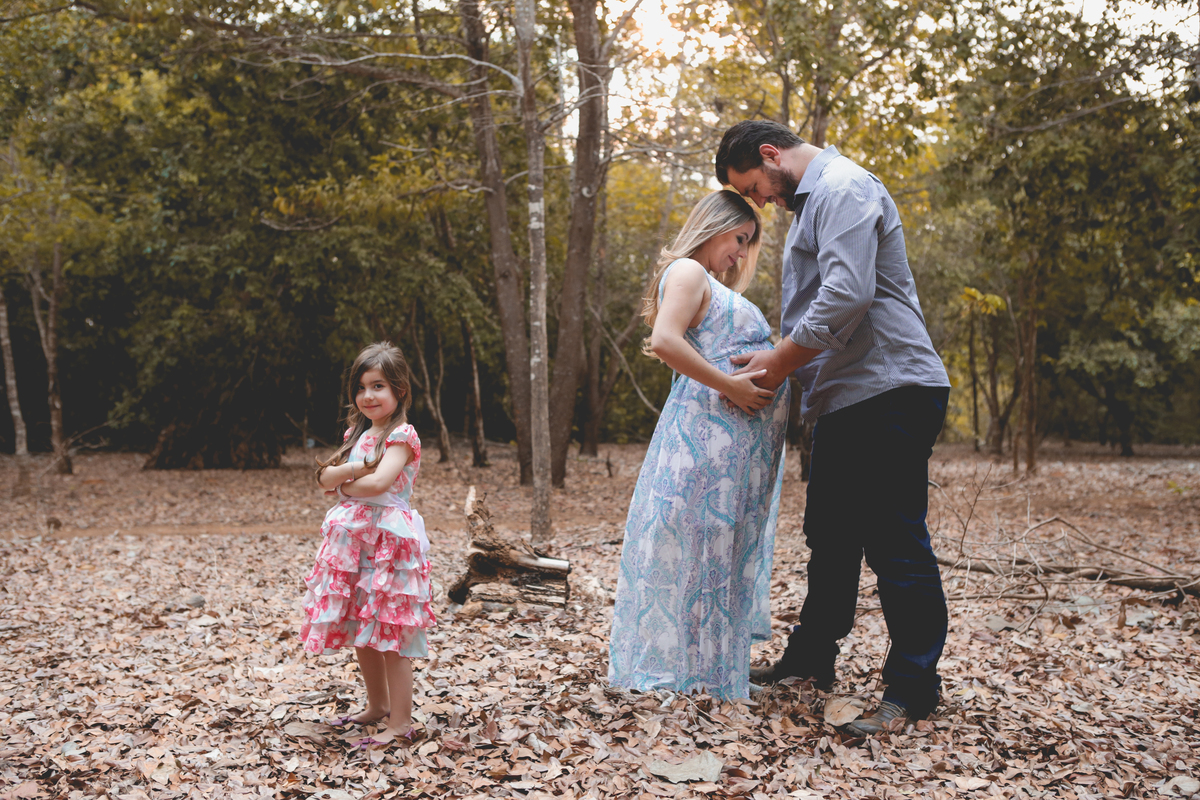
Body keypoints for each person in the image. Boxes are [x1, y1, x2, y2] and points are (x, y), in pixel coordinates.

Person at [714, 120, 952, 735]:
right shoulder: (815, 205)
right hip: (846, 398)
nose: (761, 199)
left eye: (755, 186)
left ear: (771, 155)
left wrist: (777, 362)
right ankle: (811, 662)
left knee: (896, 541)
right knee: (833, 535)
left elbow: (847, 295)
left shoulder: (844, 186)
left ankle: (913, 689)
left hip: (891, 388)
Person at [608, 190, 790, 701]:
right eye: (739, 239)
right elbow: (666, 341)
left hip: (725, 452)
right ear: (712, 227)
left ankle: (704, 673)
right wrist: (731, 386)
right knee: (700, 547)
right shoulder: (688, 272)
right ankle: (692, 676)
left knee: (713, 552)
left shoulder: (706, 281)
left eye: (748, 243)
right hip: (705, 445)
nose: (740, 253)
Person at [300, 341, 435, 748]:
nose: (368, 396)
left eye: (378, 386)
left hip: (389, 541)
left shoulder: (401, 435)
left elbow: (380, 484)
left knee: (390, 630)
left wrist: (344, 482)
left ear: (400, 391)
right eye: (361, 388)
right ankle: (377, 705)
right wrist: (354, 468)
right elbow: (322, 480)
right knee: (363, 626)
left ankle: (401, 721)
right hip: (354, 541)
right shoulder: (357, 435)